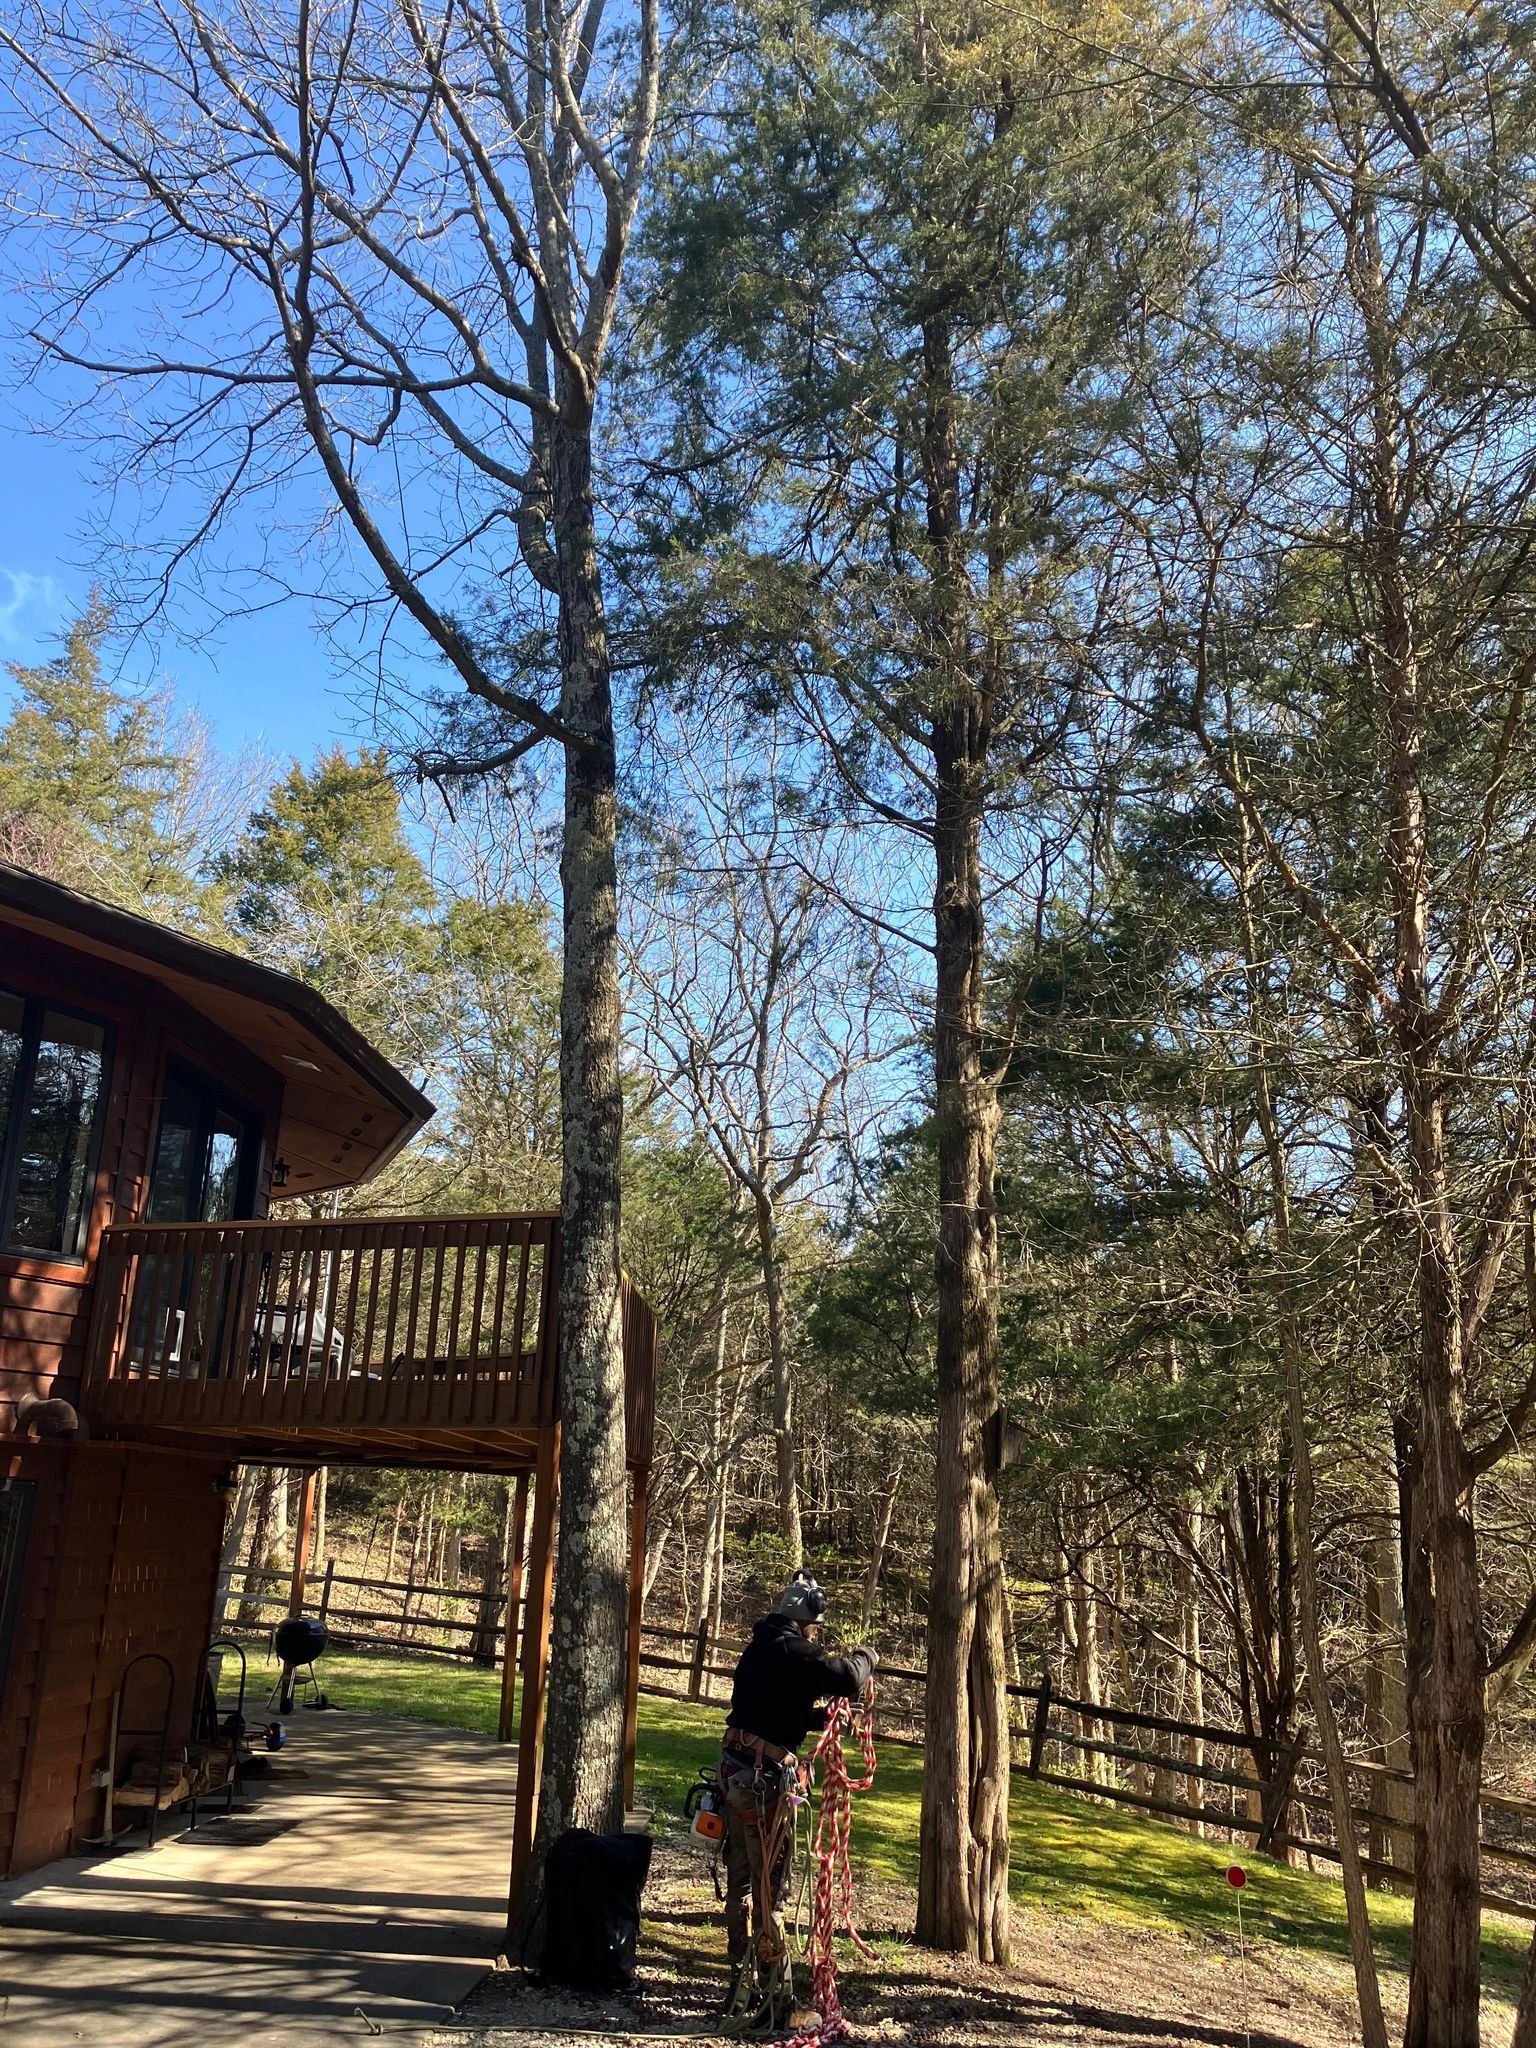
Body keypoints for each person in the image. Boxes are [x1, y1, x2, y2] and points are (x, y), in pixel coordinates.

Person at [716, 1570, 877, 2034]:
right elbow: (846, 1676)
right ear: (808, 1622)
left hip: (737, 1771)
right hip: (765, 1782)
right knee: (772, 1892)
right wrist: (869, 1656)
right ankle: (778, 2004)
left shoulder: (759, 1650)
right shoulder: (792, 1649)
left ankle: (740, 1987)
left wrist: (817, 1716)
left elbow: (771, 1708)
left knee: (744, 1884)